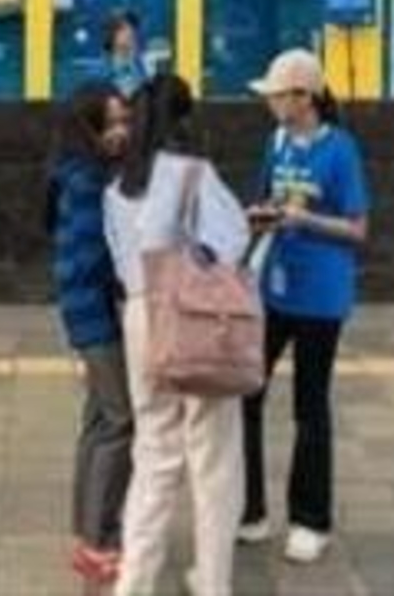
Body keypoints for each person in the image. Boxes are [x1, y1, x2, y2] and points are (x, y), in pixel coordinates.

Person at [104, 72, 250, 596]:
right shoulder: (193, 173)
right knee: (213, 460)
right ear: (184, 118)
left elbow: (123, 260)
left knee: (154, 452)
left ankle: (133, 583)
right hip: (193, 318)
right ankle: (212, 582)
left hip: (140, 316)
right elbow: (231, 240)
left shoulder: (117, 188)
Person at [240, 49, 370, 566]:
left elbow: (357, 228)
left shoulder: (340, 150)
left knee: (309, 407)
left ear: (304, 97)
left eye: (277, 95)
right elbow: (265, 199)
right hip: (272, 287)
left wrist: (306, 220)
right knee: (245, 394)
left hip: (321, 295)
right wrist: (261, 216)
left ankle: (310, 520)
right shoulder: (275, 142)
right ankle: (248, 509)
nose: (270, 103)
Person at [48, 82, 134, 589]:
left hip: (87, 310)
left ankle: (88, 531)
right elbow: (90, 255)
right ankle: (100, 539)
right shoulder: (86, 179)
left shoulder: (83, 170)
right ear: (88, 127)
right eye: (111, 123)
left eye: (125, 121)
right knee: (120, 420)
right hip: (94, 313)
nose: (121, 132)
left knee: (100, 417)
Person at [102, 10, 147, 98]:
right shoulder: (103, 72)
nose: (130, 31)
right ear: (110, 35)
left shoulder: (140, 67)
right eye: (123, 29)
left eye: (132, 27)